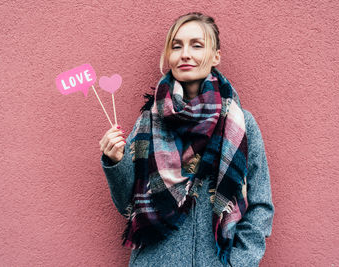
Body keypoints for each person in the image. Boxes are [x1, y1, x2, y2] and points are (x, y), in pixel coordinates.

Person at [99, 12, 274, 267]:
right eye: (176, 46)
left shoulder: (241, 125)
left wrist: (239, 262)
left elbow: (260, 206)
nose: (185, 54)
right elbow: (128, 205)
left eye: (197, 45)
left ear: (216, 56)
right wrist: (115, 162)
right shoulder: (148, 122)